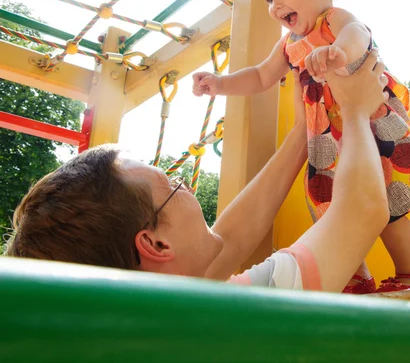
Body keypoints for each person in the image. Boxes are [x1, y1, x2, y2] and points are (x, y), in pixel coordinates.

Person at [192, 0, 410, 294]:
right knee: (330, 207)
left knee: (387, 204)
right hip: (326, 137)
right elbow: (260, 76)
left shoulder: (333, 22)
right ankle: (354, 275)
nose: (275, 5)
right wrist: (220, 84)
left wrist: (338, 54)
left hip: (370, 127)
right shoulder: (288, 45)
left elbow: (358, 34)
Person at [5, 53, 390, 293]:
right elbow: (363, 210)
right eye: (172, 186)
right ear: (155, 246)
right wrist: (355, 111)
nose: (186, 186)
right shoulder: (234, 317)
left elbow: (232, 238)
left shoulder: (150, 314)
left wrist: (303, 133)